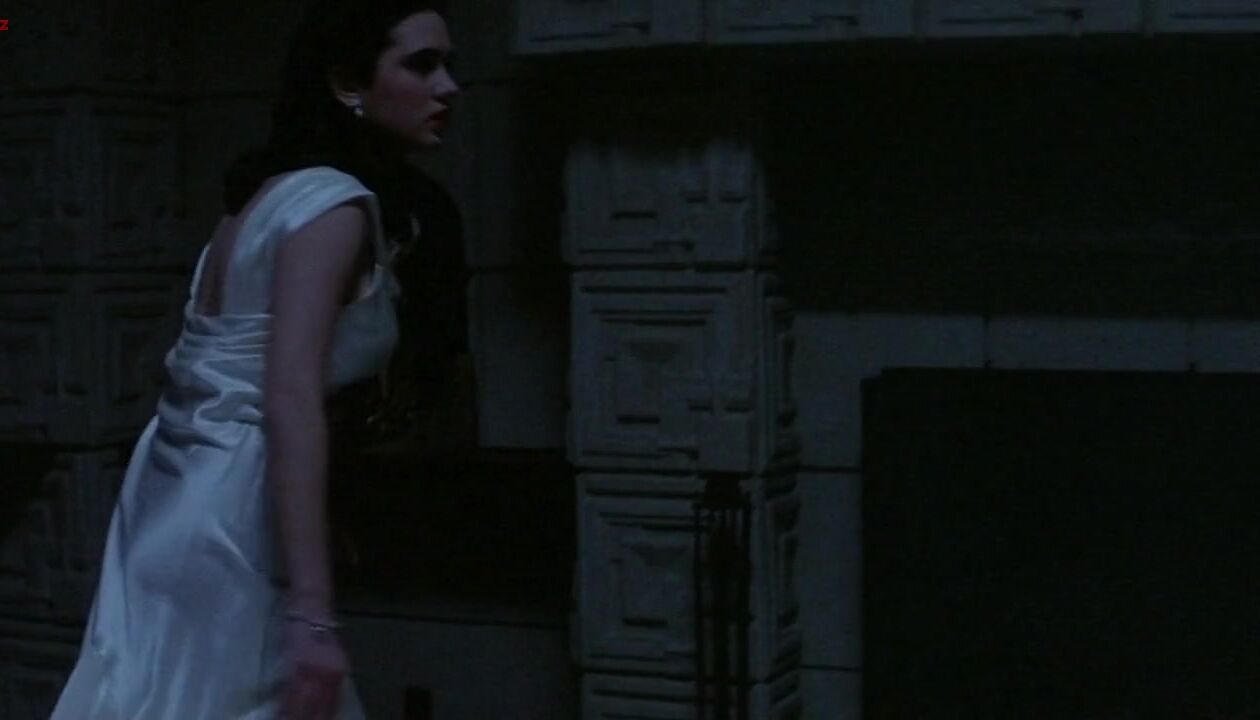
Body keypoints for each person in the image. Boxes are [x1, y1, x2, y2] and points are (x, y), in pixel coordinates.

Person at [49, 1, 459, 718]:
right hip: (237, 520)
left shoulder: (263, 200)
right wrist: (314, 614)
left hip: (173, 499)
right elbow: (289, 394)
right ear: (347, 83)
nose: (447, 87)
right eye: (421, 65)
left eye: (448, 65)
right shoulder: (331, 207)